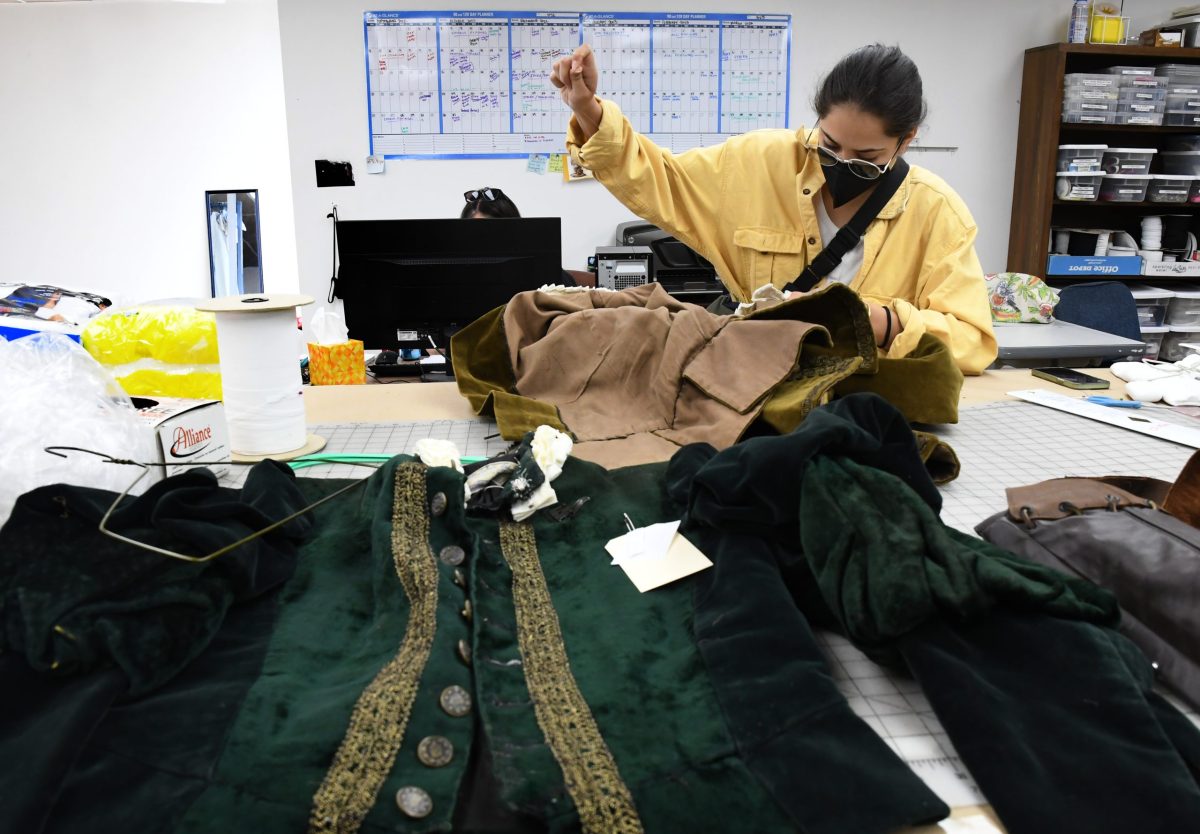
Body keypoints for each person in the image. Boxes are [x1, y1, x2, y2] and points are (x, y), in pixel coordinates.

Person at [550, 43, 998, 374]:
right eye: (830, 145)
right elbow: (661, 180)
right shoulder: (757, 163)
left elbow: (973, 341)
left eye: (866, 158)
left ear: (907, 140)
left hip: (866, 407)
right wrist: (589, 112)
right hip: (756, 388)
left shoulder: (936, 212)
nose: (842, 164)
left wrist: (875, 322)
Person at [460, 186, 580, 286]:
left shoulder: (545, 270)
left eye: (493, 230)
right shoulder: (459, 275)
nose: (487, 240)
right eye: (478, 232)